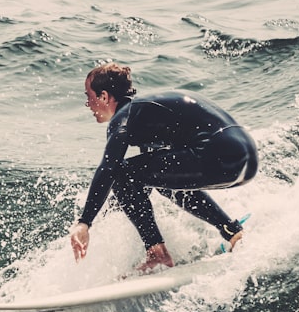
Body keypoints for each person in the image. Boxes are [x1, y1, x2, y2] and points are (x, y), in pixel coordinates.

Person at [69, 63, 258, 272]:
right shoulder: (147, 112)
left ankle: (157, 254)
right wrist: (112, 207)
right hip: (245, 159)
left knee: (122, 173)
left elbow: (110, 168)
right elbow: (147, 180)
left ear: (104, 96)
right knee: (163, 180)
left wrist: (84, 222)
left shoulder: (125, 117)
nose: (88, 104)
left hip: (218, 155)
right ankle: (232, 232)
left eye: (89, 96)